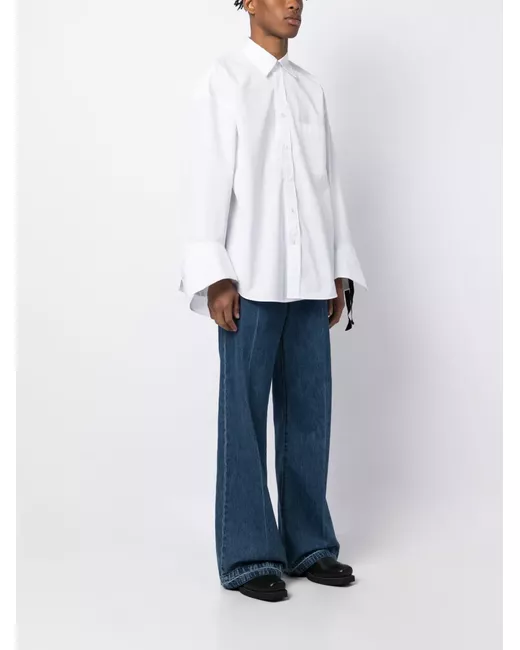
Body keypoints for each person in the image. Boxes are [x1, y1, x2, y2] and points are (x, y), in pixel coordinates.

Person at [178, 0, 368, 602]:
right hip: (250, 279)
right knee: (243, 417)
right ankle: (248, 554)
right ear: (247, 2)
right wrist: (215, 275)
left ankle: (309, 544)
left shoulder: (310, 90)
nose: (294, 4)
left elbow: (328, 185)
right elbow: (206, 180)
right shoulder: (224, 80)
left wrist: (338, 270)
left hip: (310, 277)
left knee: (310, 414)